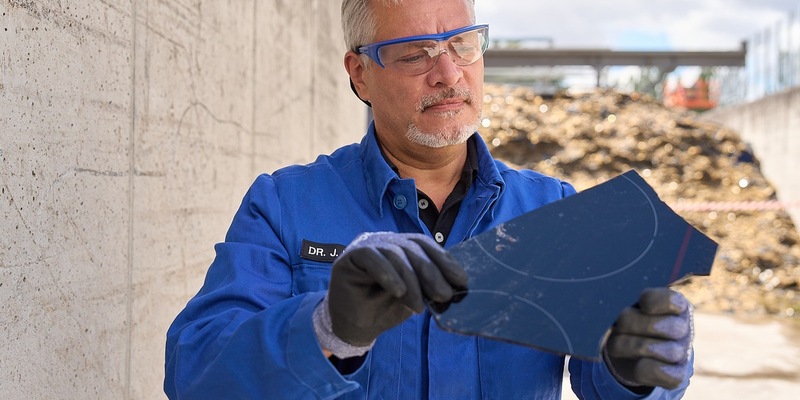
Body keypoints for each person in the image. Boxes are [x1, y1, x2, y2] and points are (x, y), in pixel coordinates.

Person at [164, 0, 695, 398]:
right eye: (415, 54)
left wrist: (635, 370)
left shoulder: (553, 210)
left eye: (462, 44)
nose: (448, 74)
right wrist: (326, 328)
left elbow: (607, 379)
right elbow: (195, 372)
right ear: (360, 74)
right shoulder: (285, 205)